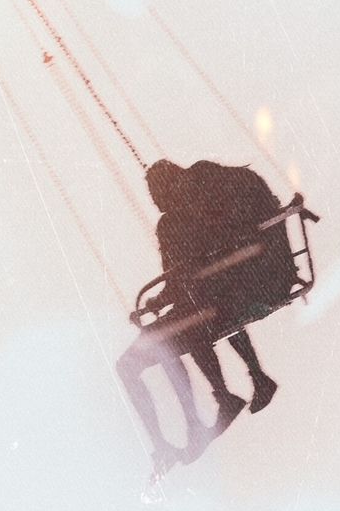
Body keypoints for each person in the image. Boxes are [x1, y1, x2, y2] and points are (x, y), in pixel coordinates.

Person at [117, 158, 292, 464]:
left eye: (156, 193)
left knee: (159, 341)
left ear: (169, 186)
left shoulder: (177, 221)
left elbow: (181, 278)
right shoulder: (207, 201)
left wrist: (160, 300)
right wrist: (162, 300)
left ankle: (199, 418)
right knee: (180, 322)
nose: (156, 203)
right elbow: (188, 276)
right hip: (244, 285)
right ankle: (231, 392)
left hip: (225, 295)